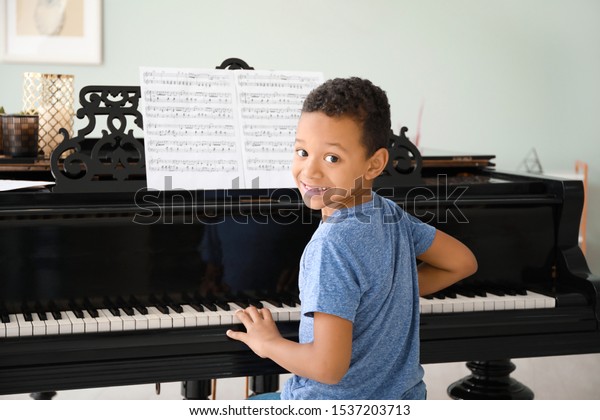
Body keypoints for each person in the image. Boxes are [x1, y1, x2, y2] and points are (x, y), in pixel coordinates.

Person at [226, 77, 477, 399]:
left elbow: (328, 368)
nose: (310, 172)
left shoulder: (331, 246)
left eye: (332, 158)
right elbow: (462, 263)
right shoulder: (389, 213)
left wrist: (268, 344)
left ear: (375, 163)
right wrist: (383, 293)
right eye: (302, 151)